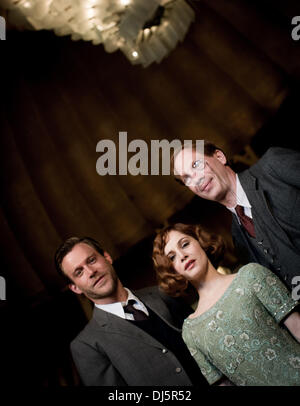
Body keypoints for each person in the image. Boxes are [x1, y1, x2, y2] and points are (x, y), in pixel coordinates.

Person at [152, 222, 300, 386]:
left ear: (200, 242)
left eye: (185, 244)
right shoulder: (191, 332)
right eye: (172, 257)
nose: (182, 255)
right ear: (172, 271)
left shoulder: (252, 276)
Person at [54, 236, 208, 386]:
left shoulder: (163, 293)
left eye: (92, 260)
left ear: (107, 257)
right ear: (75, 288)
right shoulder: (86, 345)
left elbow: (205, 342)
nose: (90, 271)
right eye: (79, 272)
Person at [172, 141, 300, 291]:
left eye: (196, 165)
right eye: (186, 178)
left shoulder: (273, 165)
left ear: (219, 157)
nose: (196, 179)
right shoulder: (238, 239)